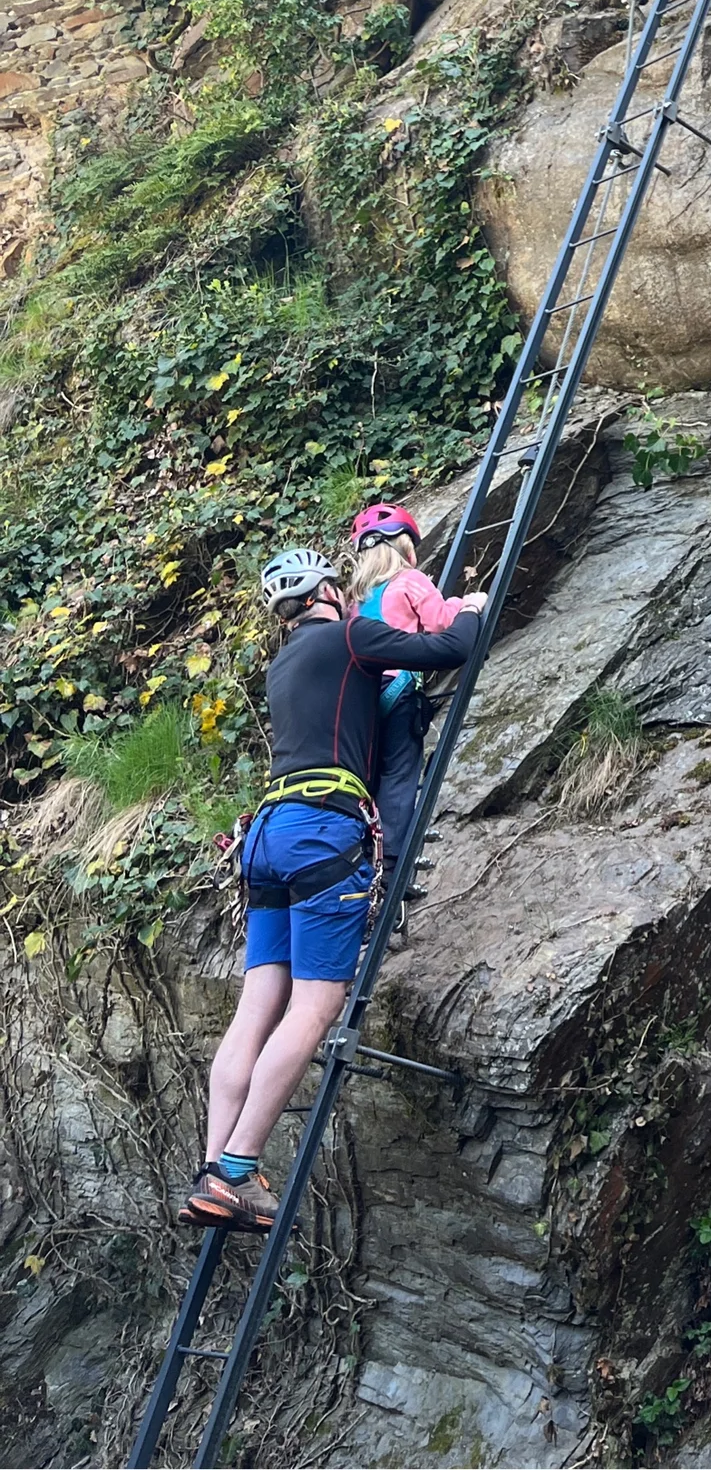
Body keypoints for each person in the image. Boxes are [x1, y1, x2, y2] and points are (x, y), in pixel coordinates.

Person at [176, 547, 481, 1232]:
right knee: (314, 1009)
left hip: (266, 838)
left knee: (256, 1010)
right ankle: (236, 1170)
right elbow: (450, 645)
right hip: (320, 831)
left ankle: (212, 1163)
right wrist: (472, 606)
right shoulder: (349, 635)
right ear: (332, 592)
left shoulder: (282, 663)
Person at [345, 500, 485, 861]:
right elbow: (440, 622)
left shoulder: (355, 600)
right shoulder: (409, 580)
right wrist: (468, 603)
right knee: (400, 774)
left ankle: (366, 854)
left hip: (359, 698)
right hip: (399, 690)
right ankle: (392, 860)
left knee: (369, 778)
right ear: (404, 548)